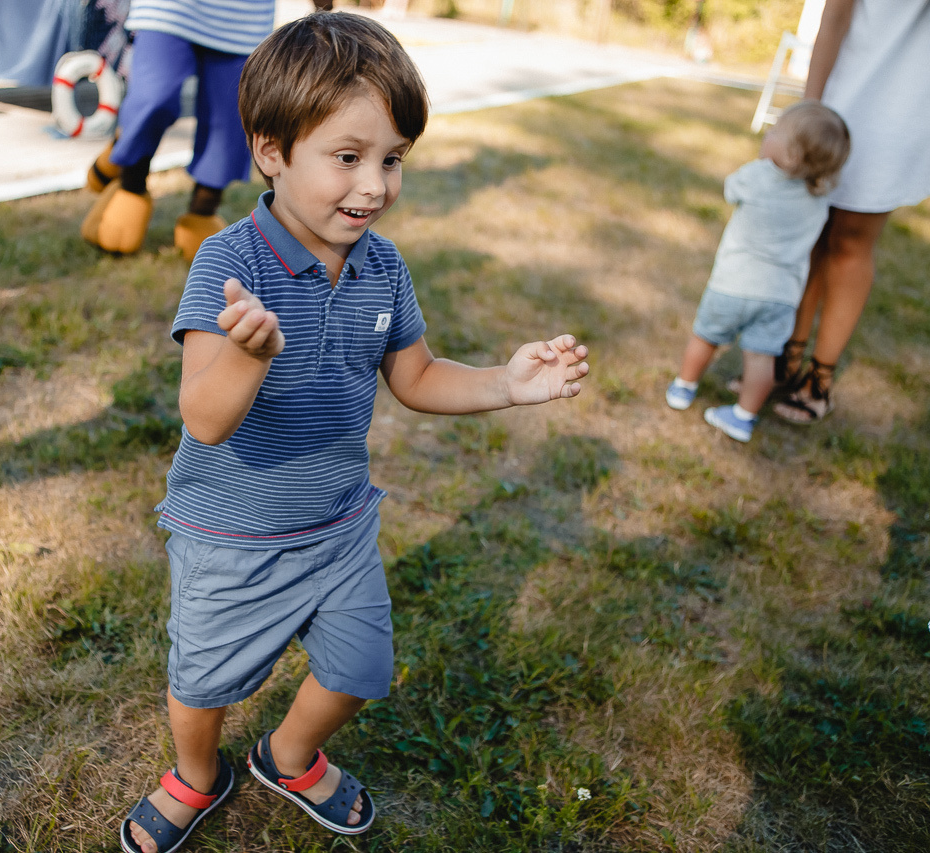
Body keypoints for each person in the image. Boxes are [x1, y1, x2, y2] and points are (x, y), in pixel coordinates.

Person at [120, 13, 590, 853]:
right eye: (348, 157)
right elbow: (205, 416)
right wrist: (249, 353)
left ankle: (289, 753)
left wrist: (506, 385)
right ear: (271, 150)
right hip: (231, 533)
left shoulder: (384, 265)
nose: (373, 185)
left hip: (339, 526)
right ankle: (196, 774)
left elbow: (414, 377)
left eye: (393, 158)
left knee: (363, 669)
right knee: (202, 680)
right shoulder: (232, 266)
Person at [772, 0, 930, 424]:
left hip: (907, 98)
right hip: (843, 85)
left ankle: (819, 379)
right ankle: (784, 360)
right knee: (809, 229)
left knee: (850, 237)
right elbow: (837, 11)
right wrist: (809, 109)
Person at [666, 101, 850, 443]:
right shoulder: (819, 196)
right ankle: (743, 416)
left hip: (732, 284)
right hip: (780, 296)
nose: (769, 132)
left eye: (777, 131)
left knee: (705, 336)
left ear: (793, 155)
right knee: (762, 357)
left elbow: (729, 189)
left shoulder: (756, 175)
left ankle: (683, 387)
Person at [79, 0, 275, 263]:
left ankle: (202, 213)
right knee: (153, 97)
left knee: (231, 118)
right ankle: (130, 184)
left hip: (242, 16)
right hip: (169, 7)